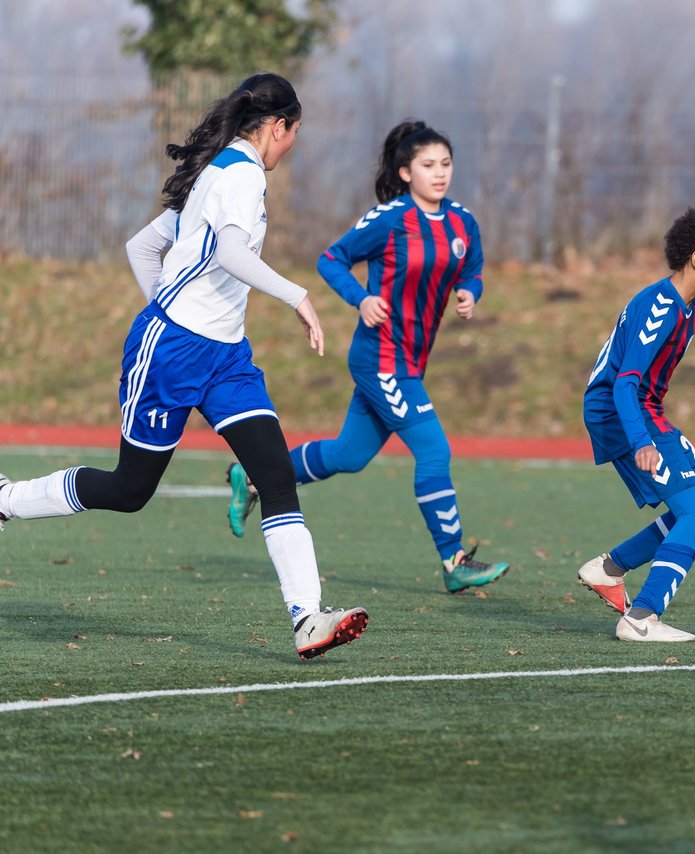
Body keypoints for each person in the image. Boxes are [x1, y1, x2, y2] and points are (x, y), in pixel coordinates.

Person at [0, 74, 367, 660]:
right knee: (129, 490)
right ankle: (7, 499)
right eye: (294, 133)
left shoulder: (219, 173)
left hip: (226, 357)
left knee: (274, 476)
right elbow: (226, 252)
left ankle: (307, 618)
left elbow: (144, 248)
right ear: (278, 127)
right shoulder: (240, 173)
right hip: (171, 352)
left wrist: (170, 302)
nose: (292, 144)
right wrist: (294, 295)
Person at [226, 121, 509, 594]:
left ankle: (252, 475)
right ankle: (454, 559)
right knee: (435, 451)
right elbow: (330, 259)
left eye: (445, 164)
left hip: (412, 360)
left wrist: (469, 291)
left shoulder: (463, 221)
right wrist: (361, 299)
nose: (439, 174)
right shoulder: (390, 219)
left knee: (348, 455)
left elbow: (474, 267)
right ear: (404, 172)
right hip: (381, 357)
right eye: (427, 166)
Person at [578, 208, 695, 642]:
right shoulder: (660, 306)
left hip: (644, 410)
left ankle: (609, 568)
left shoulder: (689, 311)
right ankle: (641, 618)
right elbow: (625, 383)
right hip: (618, 413)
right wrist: (641, 442)